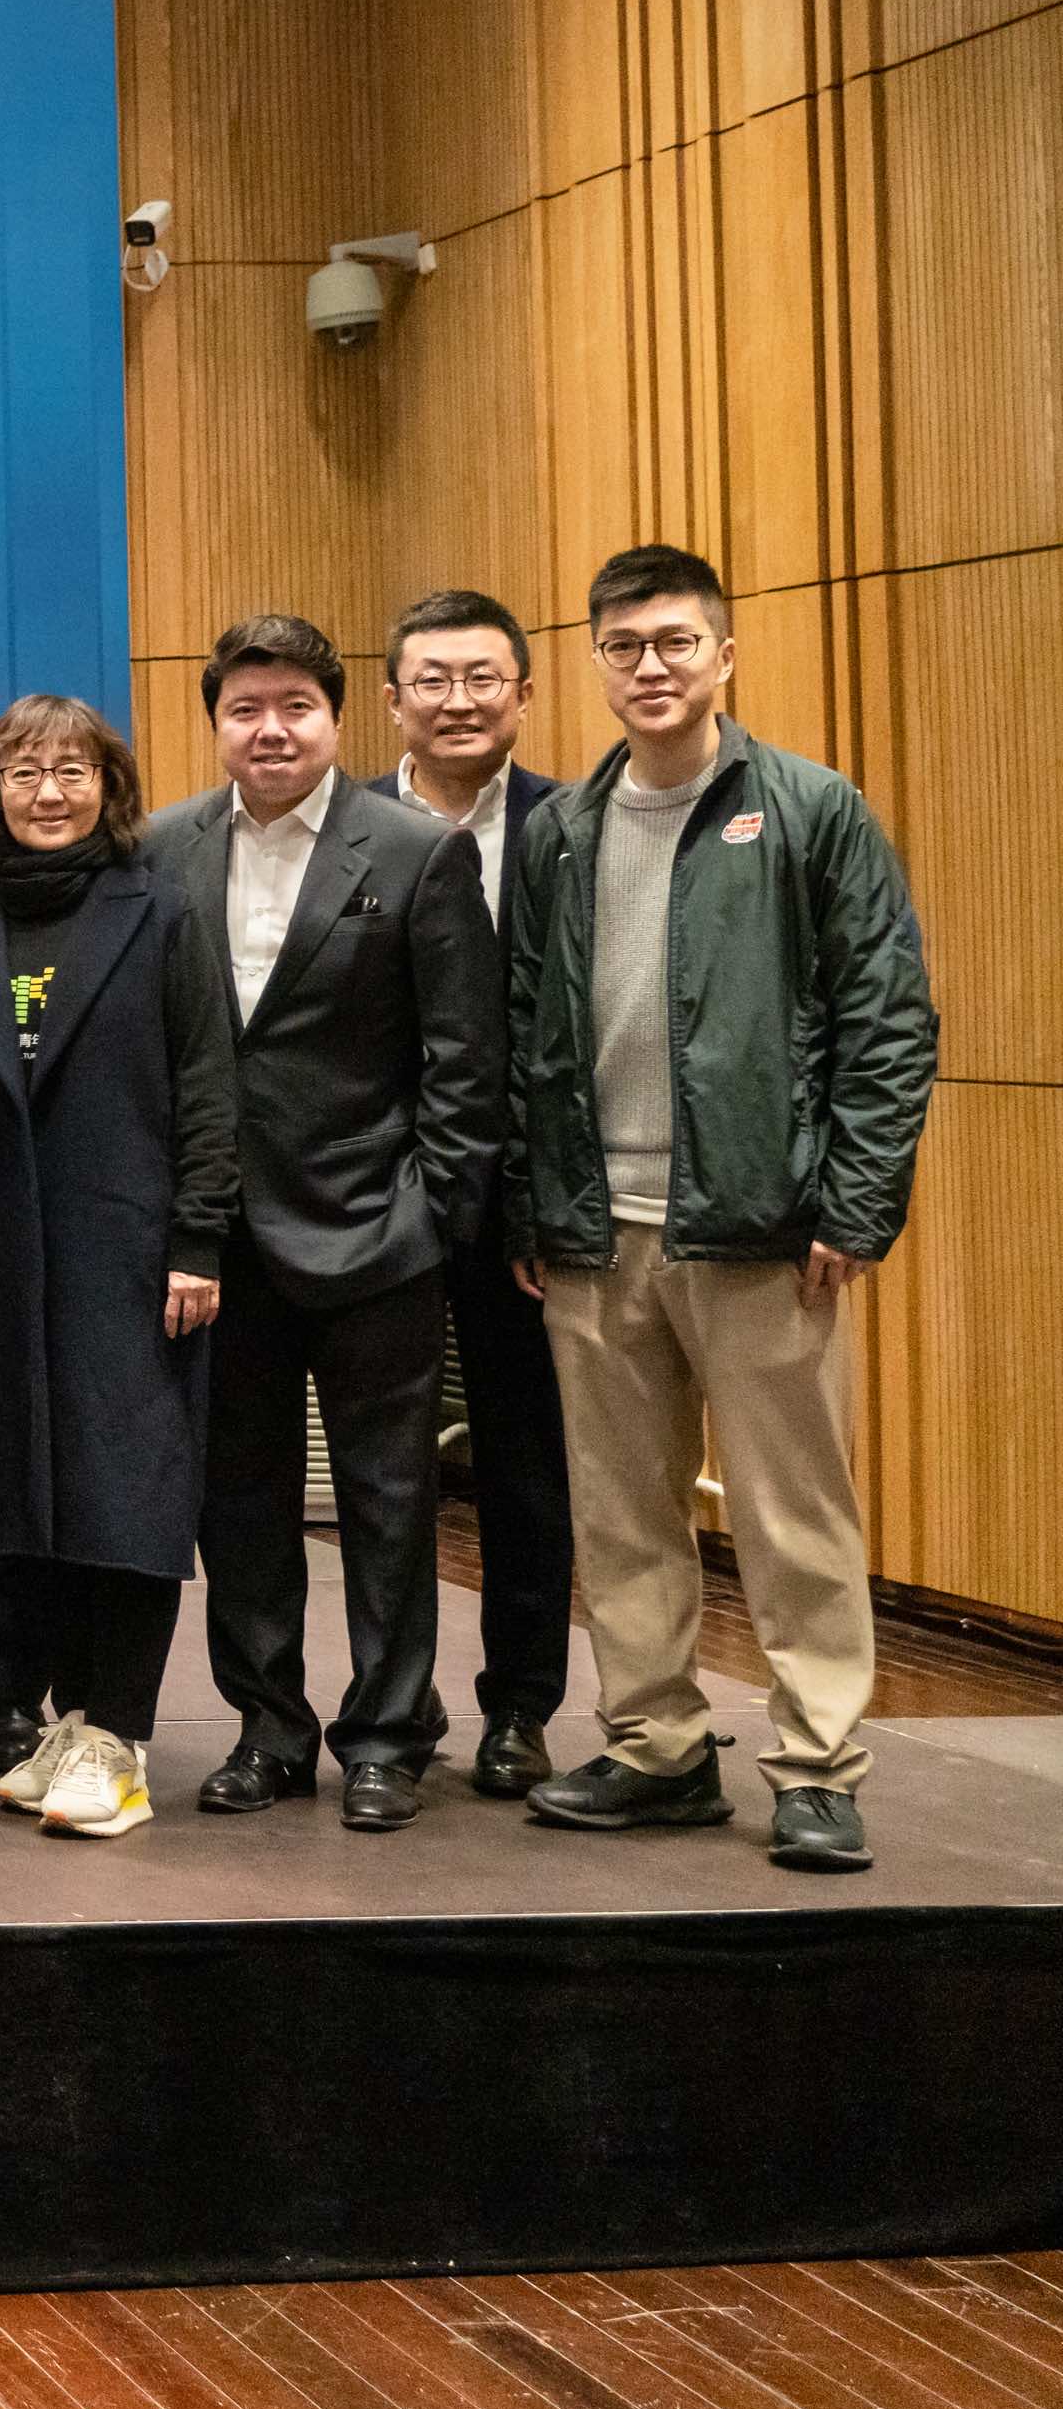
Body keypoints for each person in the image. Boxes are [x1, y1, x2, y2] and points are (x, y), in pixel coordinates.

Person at [507, 547, 935, 1874]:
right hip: (596, 1232)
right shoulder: (561, 831)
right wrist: (532, 1205)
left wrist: (853, 1205)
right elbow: (526, 1028)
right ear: (595, 661)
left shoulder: (809, 810)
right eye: (623, 645)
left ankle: (816, 1767)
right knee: (622, 1515)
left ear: (724, 656)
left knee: (793, 1515)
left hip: (762, 1228)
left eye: (674, 642)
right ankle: (657, 1749)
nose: (649, 667)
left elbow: (886, 1017)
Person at [150, 613, 502, 1830]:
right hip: (219, 1244)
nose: (269, 729)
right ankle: (267, 1729)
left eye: (293, 706)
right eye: (243, 708)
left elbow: (464, 1061)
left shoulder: (413, 851)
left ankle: (387, 1736)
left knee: (386, 1503)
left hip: (374, 1234)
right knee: (237, 1501)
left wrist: (431, 1217)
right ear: (214, 724)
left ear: (336, 719)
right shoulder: (161, 850)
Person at [0, 696, 240, 1844]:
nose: (47, 793)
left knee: (123, 1493)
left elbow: (206, 1086)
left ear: (109, 786)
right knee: (14, 1495)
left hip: (126, 1253)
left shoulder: (160, 911)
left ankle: (116, 1738)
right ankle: (63, 1720)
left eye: (71, 771)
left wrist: (196, 1239)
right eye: (23, 773)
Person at [378, 587, 571, 1798]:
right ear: (391, 698)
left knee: (524, 1462)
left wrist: (543, 1196)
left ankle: (520, 1711)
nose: (456, 701)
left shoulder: (575, 826)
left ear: (522, 692)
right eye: (431, 680)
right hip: (377, 1195)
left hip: (527, 1207)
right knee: (386, 1468)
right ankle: (391, 1709)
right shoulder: (343, 826)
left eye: (480, 677)